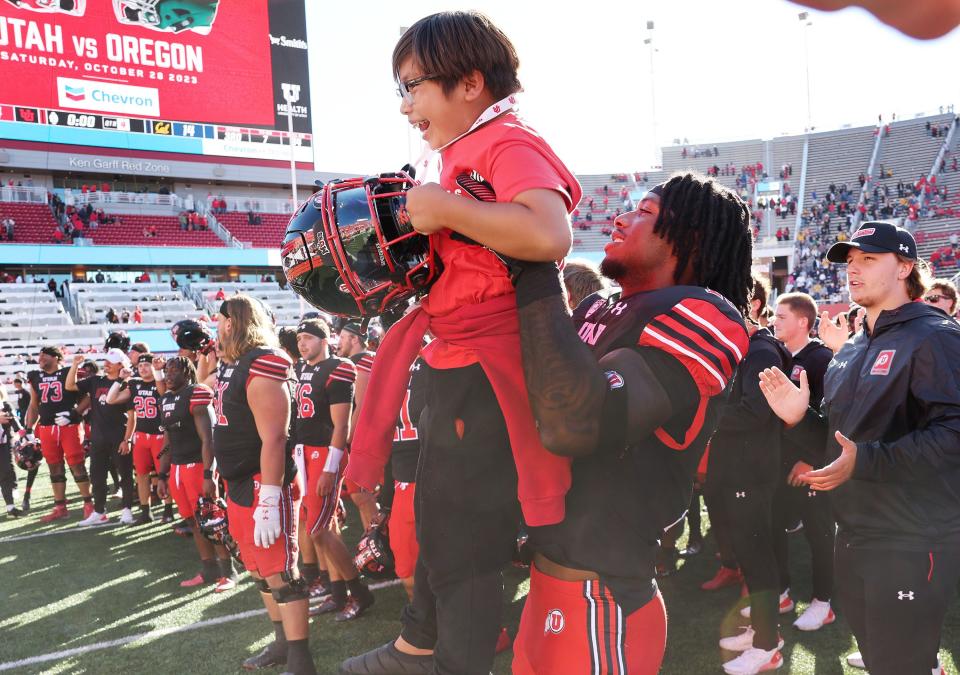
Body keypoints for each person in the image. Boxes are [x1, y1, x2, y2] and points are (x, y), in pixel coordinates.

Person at [340, 11, 581, 675]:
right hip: (454, 358)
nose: (405, 105)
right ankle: (424, 642)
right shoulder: (459, 150)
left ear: (470, 83)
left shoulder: (508, 140)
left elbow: (548, 233)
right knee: (441, 523)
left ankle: (451, 659)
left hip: (487, 365)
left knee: (464, 533)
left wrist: (447, 210)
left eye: (413, 86)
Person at [509, 173, 752, 674]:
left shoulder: (702, 314)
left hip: (603, 594)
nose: (620, 218)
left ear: (690, 238)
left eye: (643, 212)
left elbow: (575, 423)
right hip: (545, 582)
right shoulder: (601, 305)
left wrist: (533, 268)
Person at [759, 221, 960, 675]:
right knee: (879, 661)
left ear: (906, 266)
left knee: (901, 665)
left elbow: (954, 433)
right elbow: (838, 443)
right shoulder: (850, 348)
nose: (853, 270)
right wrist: (799, 420)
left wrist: (867, 460)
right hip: (851, 533)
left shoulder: (935, 336)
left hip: (913, 538)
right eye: (850, 261)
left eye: (869, 259)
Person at [212, 295, 315, 675]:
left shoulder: (264, 362)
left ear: (235, 320)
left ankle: (302, 659)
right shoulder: (234, 363)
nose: (216, 325)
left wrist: (271, 498)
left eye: (221, 319)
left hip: (263, 481)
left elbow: (274, 437)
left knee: (281, 572)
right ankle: (283, 644)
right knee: (258, 569)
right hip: (238, 480)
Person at [291, 319, 374, 621]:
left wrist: (329, 468)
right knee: (323, 526)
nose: (302, 344)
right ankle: (338, 593)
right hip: (303, 453)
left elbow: (342, 424)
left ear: (324, 340)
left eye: (308, 338)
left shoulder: (338, 368)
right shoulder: (301, 369)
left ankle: (360, 592)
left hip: (325, 454)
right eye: (300, 338)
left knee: (319, 530)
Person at [768, 292, 836, 632]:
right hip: (778, 463)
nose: (773, 321)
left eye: (781, 317)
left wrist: (810, 460)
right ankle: (781, 592)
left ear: (802, 322)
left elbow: (830, 418)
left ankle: (824, 601)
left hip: (811, 466)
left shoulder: (821, 358)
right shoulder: (776, 355)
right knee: (774, 526)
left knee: (819, 535)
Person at [155, 356, 237, 591]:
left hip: (197, 467)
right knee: (193, 523)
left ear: (187, 373)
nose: (168, 374)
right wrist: (162, 474)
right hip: (177, 469)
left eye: (174, 370)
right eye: (167, 370)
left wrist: (208, 473)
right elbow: (168, 439)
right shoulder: (167, 399)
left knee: (212, 521)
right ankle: (209, 569)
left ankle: (228, 571)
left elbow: (208, 438)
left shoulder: (197, 393)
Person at [67, 350, 136, 526]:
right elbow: (70, 386)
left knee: (125, 474)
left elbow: (132, 415)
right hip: (99, 437)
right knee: (97, 476)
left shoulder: (127, 385)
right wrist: (74, 365)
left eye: (111, 361)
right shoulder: (96, 380)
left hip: (119, 435)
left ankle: (127, 510)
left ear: (121, 365)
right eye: (106, 360)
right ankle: (99, 511)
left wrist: (127, 439)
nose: (106, 364)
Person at [105, 353, 174, 525]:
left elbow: (162, 392)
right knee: (141, 475)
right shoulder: (134, 384)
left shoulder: (162, 382)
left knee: (163, 474)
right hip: (141, 437)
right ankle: (145, 512)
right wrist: (119, 380)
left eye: (146, 365)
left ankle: (168, 510)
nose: (142, 368)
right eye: (140, 366)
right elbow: (111, 399)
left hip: (160, 436)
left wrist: (158, 372)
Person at [25, 346, 93, 521]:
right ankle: (60, 507)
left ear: (55, 358)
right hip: (47, 428)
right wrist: (28, 429)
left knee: (77, 464)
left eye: (44, 355)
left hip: (69, 426)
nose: (40, 358)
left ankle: (89, 505)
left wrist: (75, 413)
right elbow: (33, 404)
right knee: (54, 466)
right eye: (39, 355)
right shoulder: (35, 377)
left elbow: (88, 396)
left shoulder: (67, 373)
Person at [336, 321, 379, 531]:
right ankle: (371, 539)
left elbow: (361, 405)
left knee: (362, 494)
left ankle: (377, 540)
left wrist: (347, 438)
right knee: (361, 494)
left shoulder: (360, 361)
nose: (339, 342)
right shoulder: (364, 359)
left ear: (354, 339)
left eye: (343, 337)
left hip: (364, 437)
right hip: (371, 434)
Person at [0, 387, 24, 516]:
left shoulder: (5, 405)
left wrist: (25, 435)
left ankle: (10, 507)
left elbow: (16, 424)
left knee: (6, 471)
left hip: (3, 445)